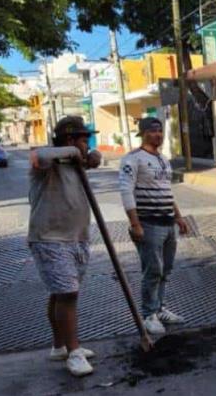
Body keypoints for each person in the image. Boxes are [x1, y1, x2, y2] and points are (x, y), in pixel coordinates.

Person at [28, 115, 102, 377]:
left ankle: (60, 345)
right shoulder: (48, 163)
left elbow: (95, 157)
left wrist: (93, 154)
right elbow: (38, 156)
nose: (87, 144)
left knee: (62, 293)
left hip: (76, 237)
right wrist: (76, 152)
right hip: (50, 238)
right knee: (68, 294)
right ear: (70, 140)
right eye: (84, 139)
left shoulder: (75, 165)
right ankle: (74, 352)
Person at [118, 117, 189, 336]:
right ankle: (148, 314)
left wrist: (178, 217)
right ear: (143, 133)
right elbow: (126, 191)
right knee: (153, 269)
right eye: (152, 131)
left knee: (165, 269)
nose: (158, 134)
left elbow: (167, 190)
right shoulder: (133, 159)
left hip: (168, 223)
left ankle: (159, 308)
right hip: (148, 224)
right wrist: (135, 223)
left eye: (160, 131)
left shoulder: (163, 160)